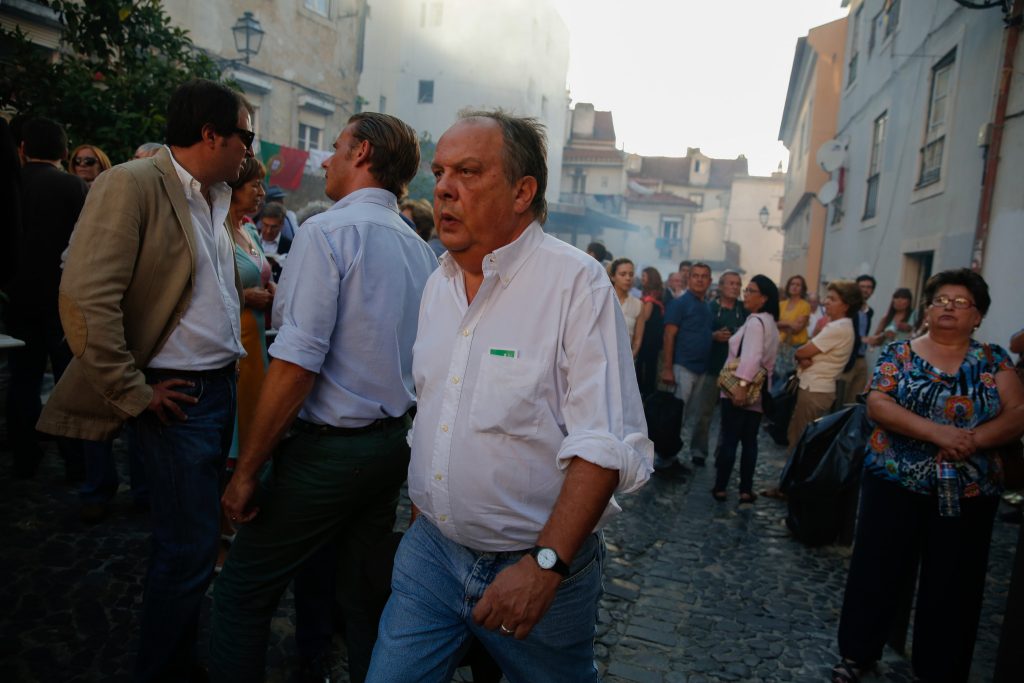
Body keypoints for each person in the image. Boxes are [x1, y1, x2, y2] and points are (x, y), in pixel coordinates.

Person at [365, 110, 652, 683]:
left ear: (523, 192)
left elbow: (603, 443)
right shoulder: (438, 283)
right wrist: (428, 509)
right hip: (432, 555)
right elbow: (434, 409)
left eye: (469, 172)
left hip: (535, 564)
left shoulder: (576, 284)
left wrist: (545, 566)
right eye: (440, 172)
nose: (444, 188)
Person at [37, 78, 254, 682]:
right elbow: (85, 299)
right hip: (178, 396)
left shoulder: (214, 195)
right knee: (188, 549)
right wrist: (133, 391)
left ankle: (174, 659)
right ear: (211, 135)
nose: (250, 149)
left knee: (194, 542)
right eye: (246, 136)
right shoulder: (131, 183)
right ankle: (162, 669)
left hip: (218, 387)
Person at [211, 112, 437, 683]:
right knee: (361, 596)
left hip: (330, 451)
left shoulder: (327, 231)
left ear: (362, 153)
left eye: (335, 147)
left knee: (241, 592)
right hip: (391, 446)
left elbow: (296, 365)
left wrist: (246, 472)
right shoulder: (418, 249)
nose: (327, 159)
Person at [831, 269, 1024, 683]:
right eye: (941, 300)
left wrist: (971, 440)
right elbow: (879, 403)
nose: (948, 308)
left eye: (961, 302)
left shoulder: (994, 360)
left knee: (955, 581)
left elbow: (1018, 414)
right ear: (928, 309)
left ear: (978, 315)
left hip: (970, 490)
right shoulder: (899, 353)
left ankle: (940, 668)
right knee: (877, 569)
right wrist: (939, 433)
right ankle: (858, 652)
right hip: (894, 482)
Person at [6, 117, 88, 480]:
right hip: (63, 296)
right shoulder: (73, 186)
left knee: (22, 378)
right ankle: (75, 462)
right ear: (65, 151)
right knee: (67, 380)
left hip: (18, 296)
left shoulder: (14, 183)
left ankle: (24, 455)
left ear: (23, 149)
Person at [712, 275, 779, 502]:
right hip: (759, 391)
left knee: (730, 439)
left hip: (741, 388)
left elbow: (751, 357)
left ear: (764, 298)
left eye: (751, 291)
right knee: (750, 441)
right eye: (746, 290)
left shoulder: (755, 323)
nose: (745, 295)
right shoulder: (770, 322)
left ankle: (721, 486)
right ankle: (745, 488)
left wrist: (741, 386)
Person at [225, 157, 272, 471]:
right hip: (234, 338)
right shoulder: (217, 230)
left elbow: (262, 274)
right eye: (255, 185)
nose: (261, 192)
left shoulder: (249, 230)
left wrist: (273, 288)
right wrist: (245, 297)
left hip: (256, 340)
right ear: (233, 188)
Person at [786, 280, 862, 449]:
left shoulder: (837, 328)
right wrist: (803, 356)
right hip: (817, 388)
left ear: (846, 306)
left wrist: (801, 356)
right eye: (827, 297)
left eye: (833, 299)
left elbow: (801, 351)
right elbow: (806, 352)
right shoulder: (839, 325)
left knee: (801, 439)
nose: (826, 301)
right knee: (800, 434)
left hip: (815, 389)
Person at [659, 262, 713, 472]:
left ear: (709, 281)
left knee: (685, 416)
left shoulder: (706, 306)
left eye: (704, 276)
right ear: (688, 279)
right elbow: (669, 335)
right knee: (675, 416)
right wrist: (667, 368)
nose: (699, 279)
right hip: (682, 366)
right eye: (695, 276)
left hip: (700, 368)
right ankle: (665, 460)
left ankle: (671, 457)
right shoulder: (680, 303)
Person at [690, 271, 746, 467]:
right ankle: (698, 451)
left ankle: (723, 453)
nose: (734, 287)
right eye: (730, 283)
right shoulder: (709, 308)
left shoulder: (744, 310)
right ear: (721, 286)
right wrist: (713, 336)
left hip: (735, 371)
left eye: (737, 284)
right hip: (711, 367)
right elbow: (698, 333)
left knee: (729, 417)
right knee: (703, 414)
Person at [838, 274, 876, 403]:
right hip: (847, 358)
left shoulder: (869, 311)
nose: (865, 290)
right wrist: (862, 339)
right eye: (862, 286)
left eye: (869, 287)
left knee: (855, 400)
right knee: (840, 398)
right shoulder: (847, 308)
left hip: (861, 358)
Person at [635, 267, 666, 397]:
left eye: (644, 276)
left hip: (647, 342)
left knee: (645, 370)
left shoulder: (649, 301)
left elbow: (644, 319)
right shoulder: (657, 297)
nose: (642, 279)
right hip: (653, 342)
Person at [774, 274, 811, 381]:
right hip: (780, 345)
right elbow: (773, 324)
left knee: (787, 378)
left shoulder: (805, 305)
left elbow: (797, 328)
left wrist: (781, 324)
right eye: (792, 284)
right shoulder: (781, 304)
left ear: (802, 289)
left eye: (798, 285)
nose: (794, 287)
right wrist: (790, 323)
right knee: (777, 376)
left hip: (796, 347)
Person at [609, 257, 643, 342]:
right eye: (623, 274)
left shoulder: (638, 305)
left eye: (631, 274)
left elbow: (637, 339)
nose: (628, 278)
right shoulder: (603, 300)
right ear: (613, 277)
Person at [257, 201, 291, 281]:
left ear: (282, 224)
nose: (268, 231)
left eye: (274, 227)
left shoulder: (290, 246)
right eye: (265, 225)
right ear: (261, 221)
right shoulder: (250, 239)